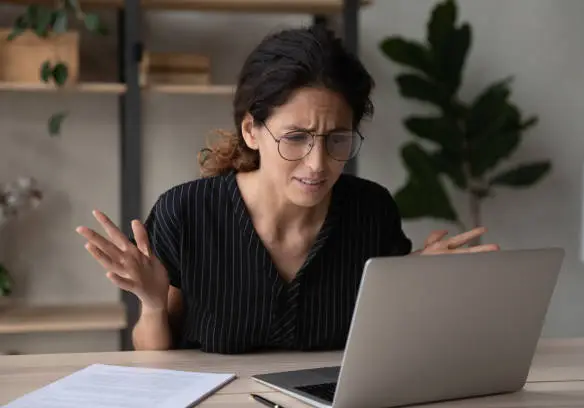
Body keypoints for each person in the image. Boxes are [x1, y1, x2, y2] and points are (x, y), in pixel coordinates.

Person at [76, 26, 499, 354]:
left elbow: (386, 347)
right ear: (252, 131)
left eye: (338, 138)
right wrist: (151, 304)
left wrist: (414, 278)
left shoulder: (370, 210)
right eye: (295, 138)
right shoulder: (187, 212)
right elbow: (156, 362)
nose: (318, 164)